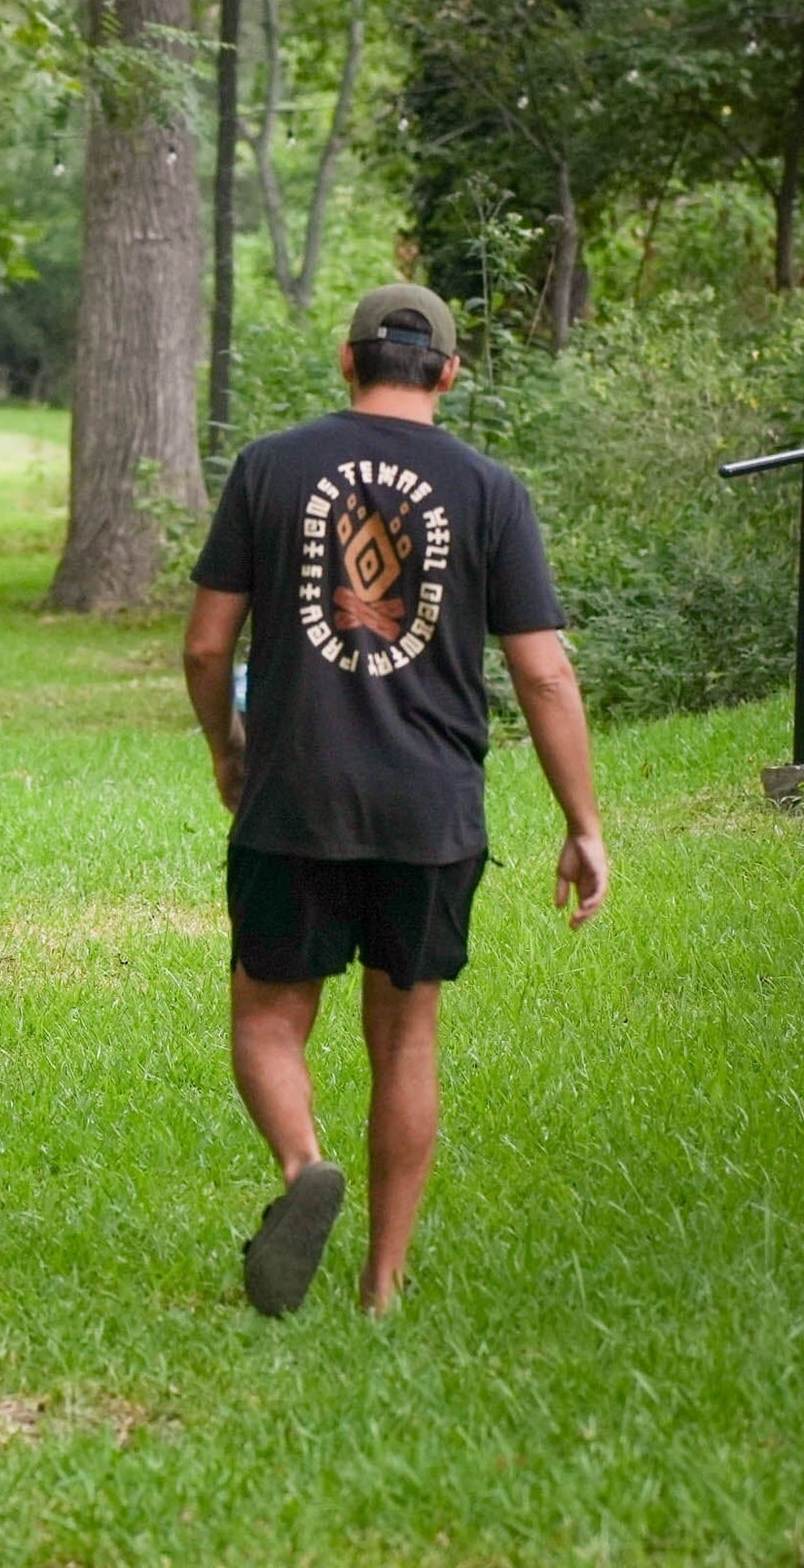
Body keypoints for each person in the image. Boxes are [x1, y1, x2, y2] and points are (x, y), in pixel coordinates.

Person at [182, 283, 608, 1318]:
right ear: (447, 373)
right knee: (405, 1033)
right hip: (431, 808)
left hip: (296, 795)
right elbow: (545, 675)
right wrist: (581, 823)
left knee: (268, 1019)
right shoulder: (487, 489)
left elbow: (204, 644)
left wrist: (227, 748)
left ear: (345, 360)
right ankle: (380, 1286)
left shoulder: (269, 467)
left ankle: (300, 1168)